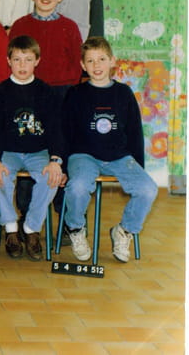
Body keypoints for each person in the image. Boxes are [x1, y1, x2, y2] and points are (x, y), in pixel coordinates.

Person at [62, 37, 157, 263]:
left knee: (148, 189)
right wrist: (63, 166)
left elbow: (134, 133)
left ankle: (123, 231)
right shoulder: (75, 93)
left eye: (102, 59)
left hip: (119, 156)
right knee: (77, 187)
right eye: (90, 61)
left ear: (112, 61)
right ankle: (75, 228)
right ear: (83, 65)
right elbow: (65, 132)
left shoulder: (124, 93)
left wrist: (138, 168)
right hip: (83, 155)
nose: (97, 65)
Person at [9, 0, 83, 225]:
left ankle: (65, 218)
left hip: (61, 96)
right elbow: (14, 62)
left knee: (61, 155)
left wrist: (61, 93)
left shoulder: (69, 27)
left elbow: (77, 67)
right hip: (28, 95)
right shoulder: (20, 26)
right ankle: (26, 218)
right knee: (30, 150)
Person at [0, 35, 65, 262]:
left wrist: (55, 160)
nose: (22, 65)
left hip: (38, 152)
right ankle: (11, 228)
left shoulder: (46, 92)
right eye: (17, 60)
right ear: (8, 61)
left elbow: (56, 129)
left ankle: (31, 228)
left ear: (37, 61)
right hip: (8, 152)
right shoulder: (0, 92)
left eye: (28, 60)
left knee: (51, 177)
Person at [9, 0, 82, 95]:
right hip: (28, 88)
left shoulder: (70, 27)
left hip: (62, 90)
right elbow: (11, 59)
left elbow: (77, 62)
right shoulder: (19, 26)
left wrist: (70, 88)